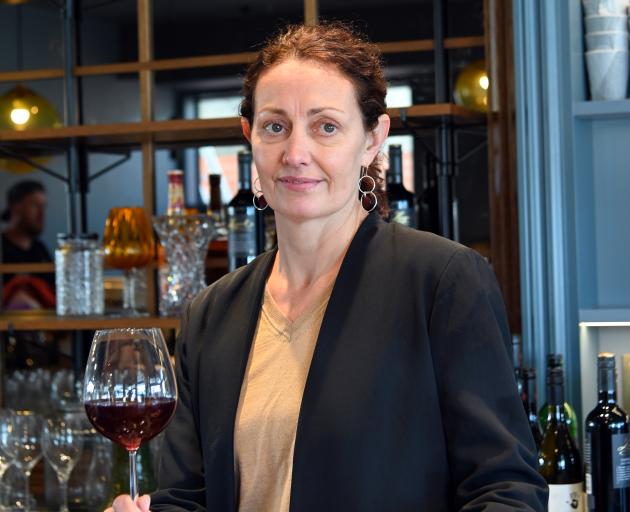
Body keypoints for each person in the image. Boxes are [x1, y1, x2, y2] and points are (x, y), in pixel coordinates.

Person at [110, 22, 548, 512]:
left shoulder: (442, 281)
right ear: (248, 136)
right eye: (275, 126)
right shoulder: (210, 313)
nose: (296, 154)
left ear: (372, 138)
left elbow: (506, 491)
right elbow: (185, 499)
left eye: (326, 126)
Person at [1, 179, 55, 309]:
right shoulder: (2, 248)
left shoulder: (40, 249)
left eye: (44, 207)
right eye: (35, 206)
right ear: (16, 207)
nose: (41, 214)